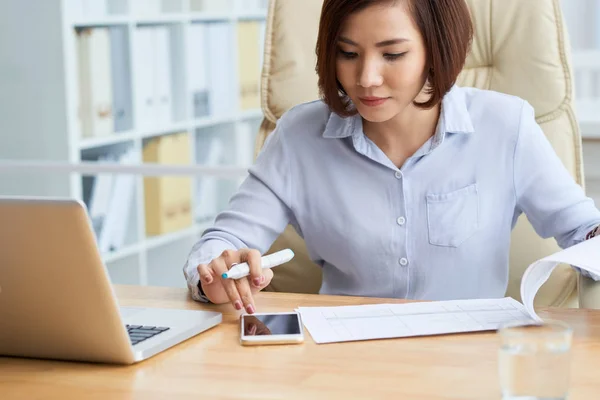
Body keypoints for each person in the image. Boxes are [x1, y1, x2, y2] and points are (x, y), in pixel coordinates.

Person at [183, 0, 600, 314]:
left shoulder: (506, 125)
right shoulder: (298, 136)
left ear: (437, 50)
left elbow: (584, 230)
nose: (366, 78)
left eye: (392, 55)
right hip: (343, 360)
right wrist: (214, 275)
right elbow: (220, 245)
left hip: (469, 361)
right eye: (348, 53)